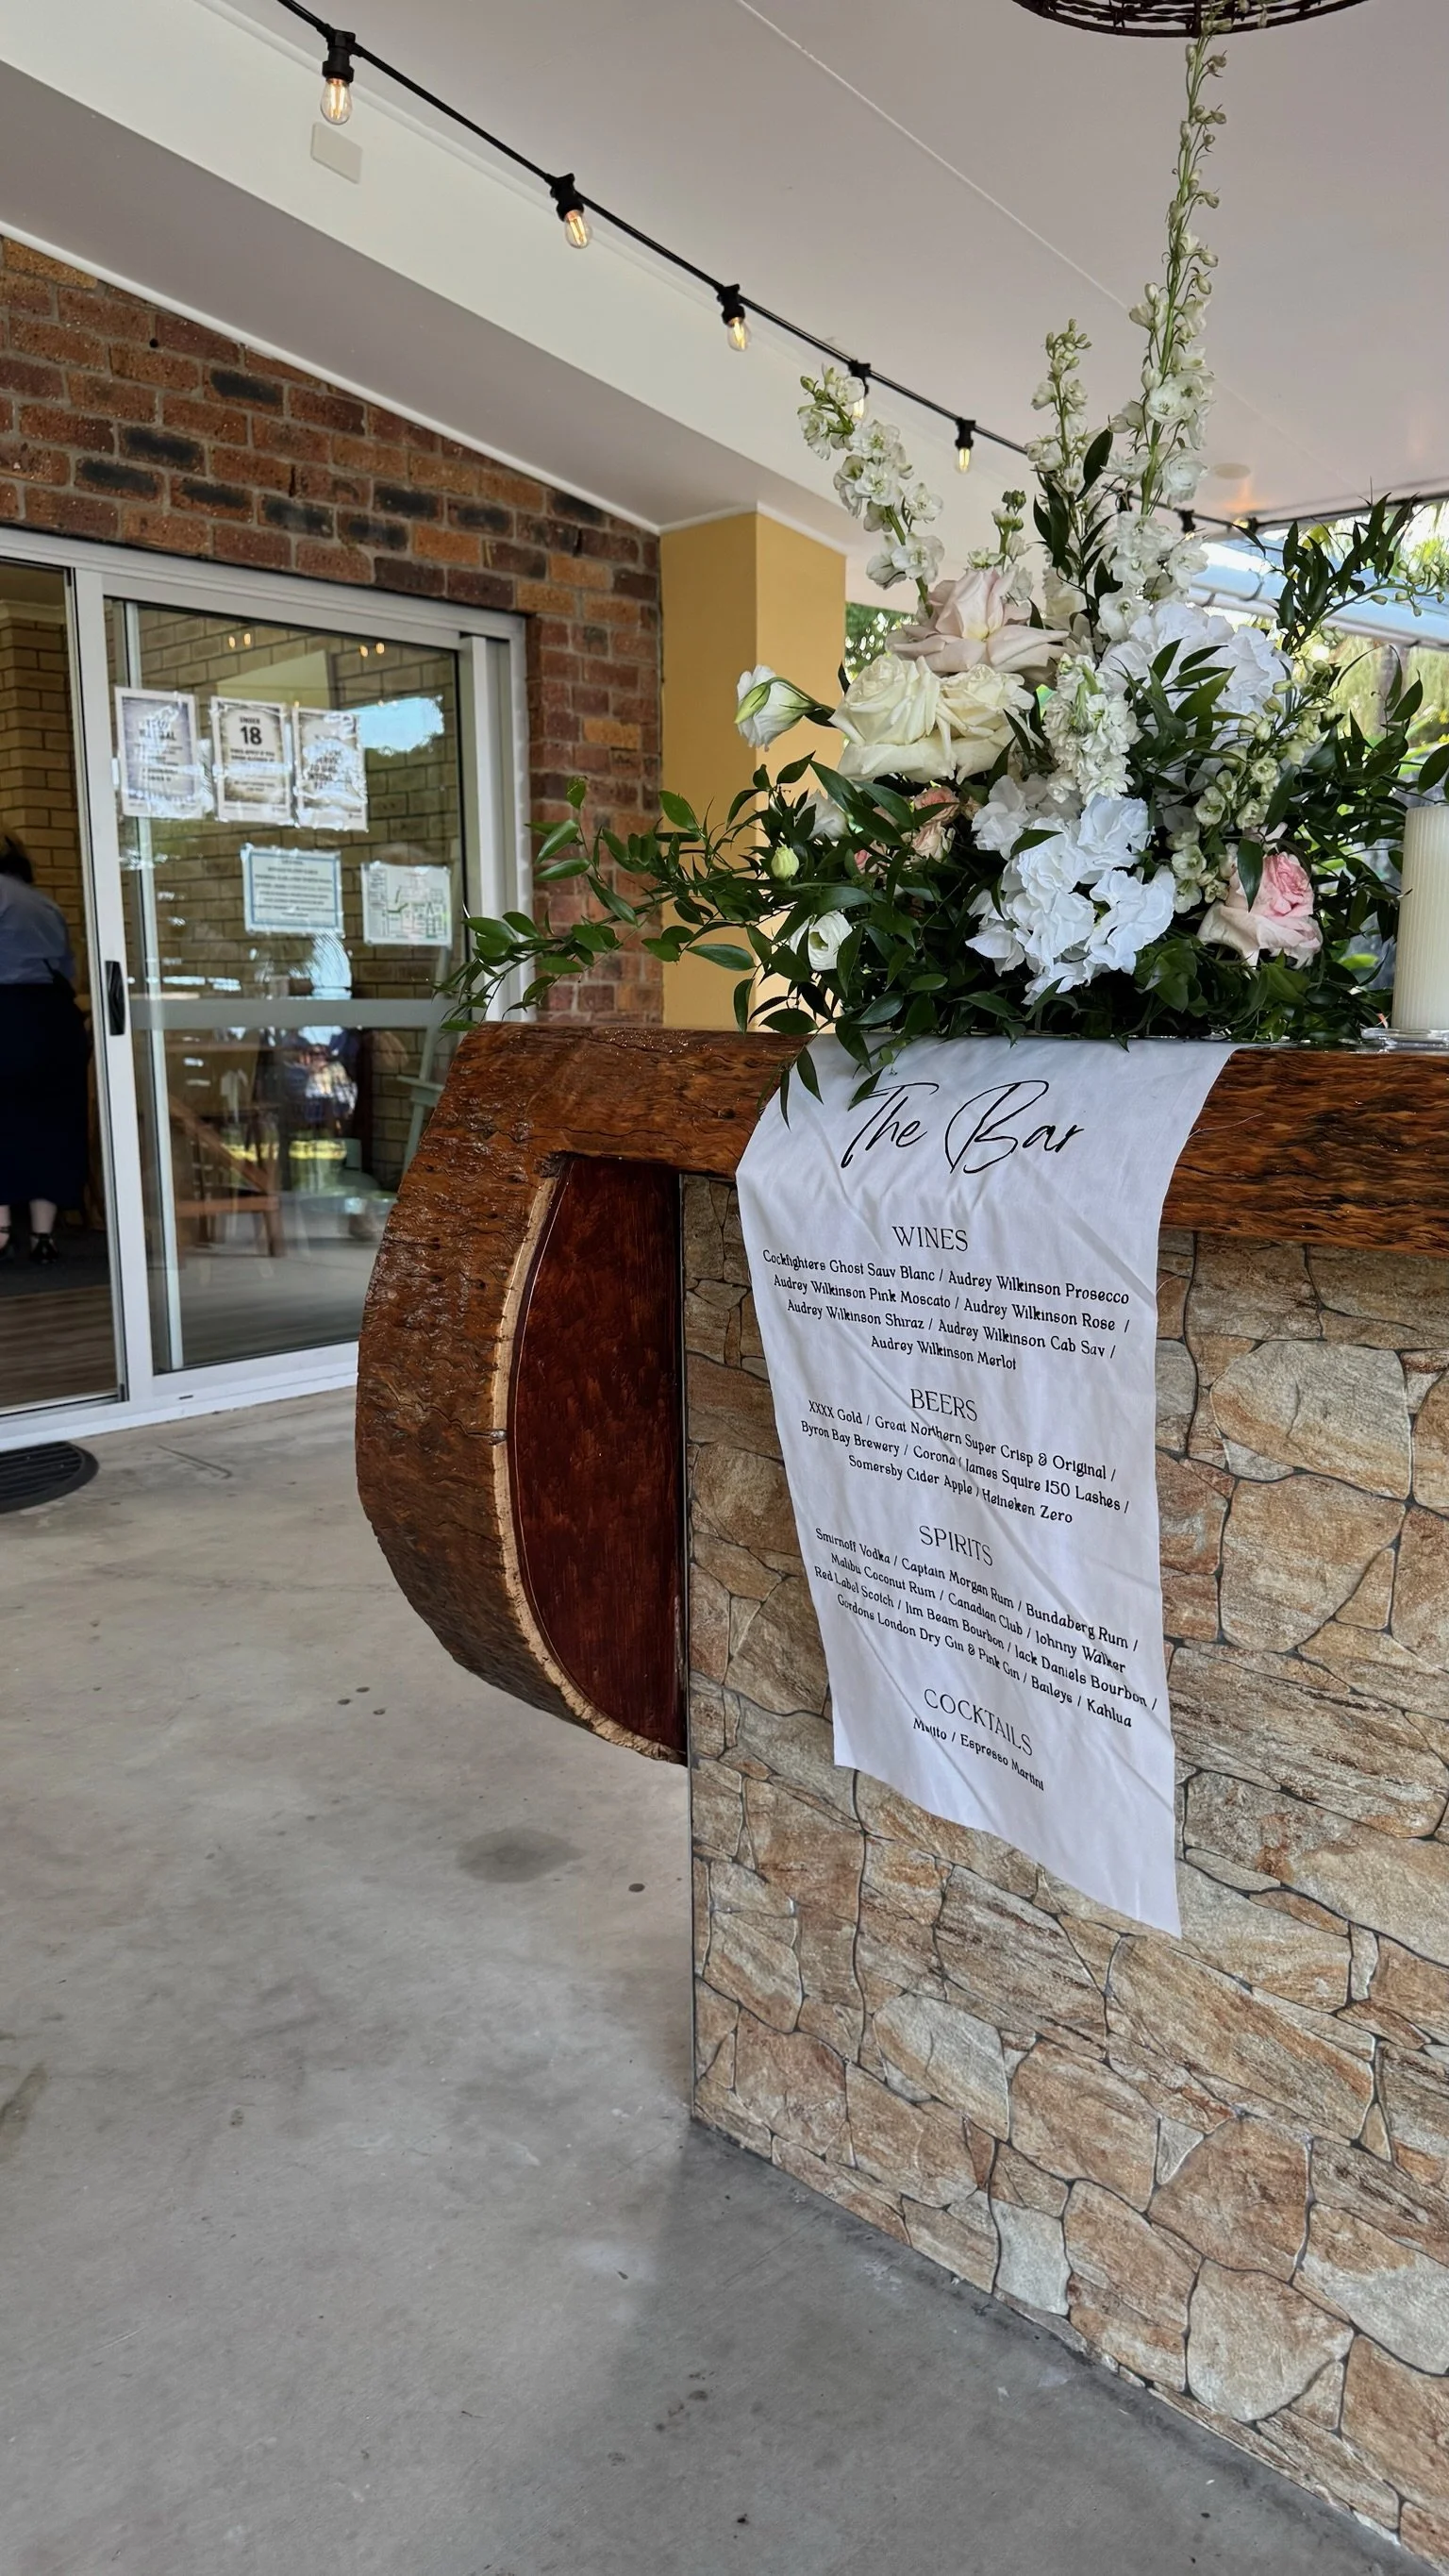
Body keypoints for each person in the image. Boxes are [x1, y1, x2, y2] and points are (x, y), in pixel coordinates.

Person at [0, 835, 91, 1264]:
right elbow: (68, 969)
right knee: (51, 1124)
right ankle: (43, 1236)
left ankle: (0, 1231)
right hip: (54, 1022)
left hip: (6, 1016)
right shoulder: (47, 906)